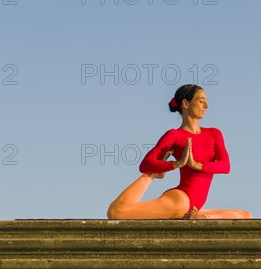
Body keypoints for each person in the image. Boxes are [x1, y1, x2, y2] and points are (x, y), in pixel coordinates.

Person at [107, 84, 252, 220]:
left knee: (245, 215)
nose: (206, 106)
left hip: (195, 207)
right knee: (116, 212)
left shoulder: (214, 134)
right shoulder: (174, 135)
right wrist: (175, 164)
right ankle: (151, 176)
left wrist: (196, 165)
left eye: (206, 101)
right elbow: (145, 164)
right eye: (201, 101)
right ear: (186, 104)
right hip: (180, 200)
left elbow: (225, 166)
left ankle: (202, 218)